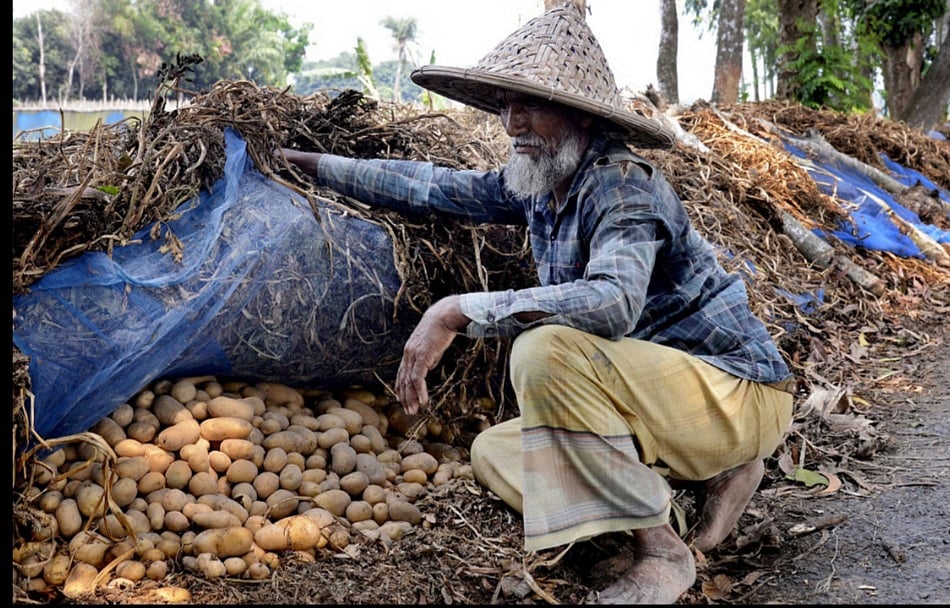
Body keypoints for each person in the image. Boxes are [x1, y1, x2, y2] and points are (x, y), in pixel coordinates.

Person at [280, 4, 794, 604]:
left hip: (736, 391)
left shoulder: (622, 185)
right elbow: (430, 187)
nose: (512, 124)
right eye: (504, 106)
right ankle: (691, 495)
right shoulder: (539, 182)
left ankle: (662, 551)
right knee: (494, 452)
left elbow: (612, 303)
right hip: (655, 402)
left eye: (529, 105)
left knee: (544, 351)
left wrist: (457, 310)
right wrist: (310, 165)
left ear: (578, 115)